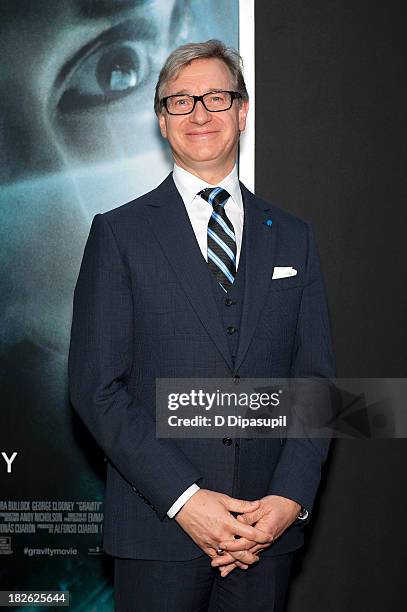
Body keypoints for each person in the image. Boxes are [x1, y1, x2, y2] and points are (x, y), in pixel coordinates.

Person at [68, 39, 335, 611]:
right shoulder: (118, 234)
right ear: (162, 121)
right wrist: (187, 501)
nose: (200, 114)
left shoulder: (294, 237)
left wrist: (290, 497)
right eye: (181, 101)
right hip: (159, 532)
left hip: (267, 536)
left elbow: (315, 385)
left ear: (243, 111)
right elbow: (98, 389)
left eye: (217, 97)